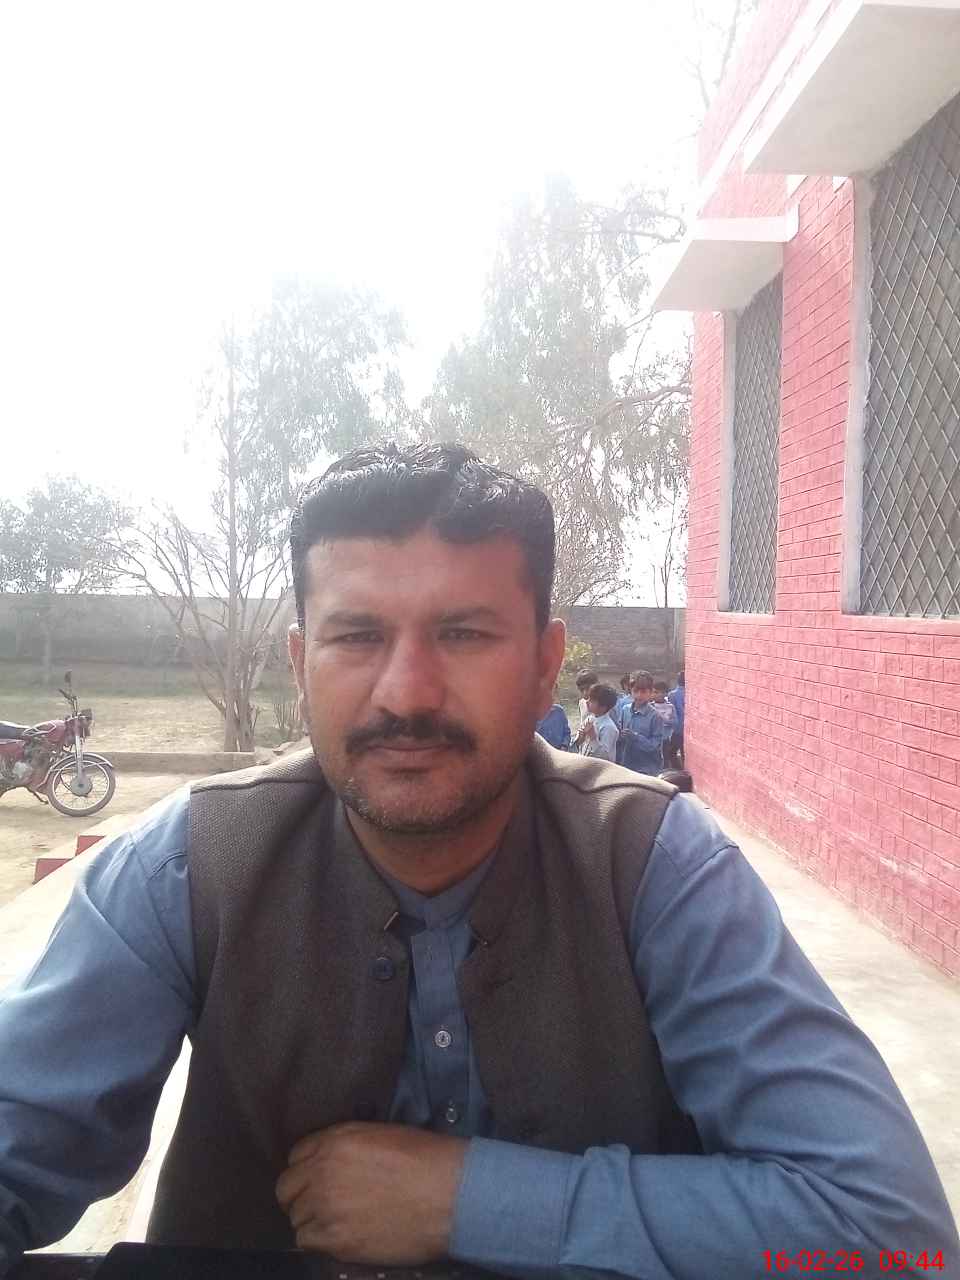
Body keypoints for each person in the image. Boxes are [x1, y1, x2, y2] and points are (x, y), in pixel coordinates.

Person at [0, 442, 955, 1279]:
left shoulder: (656, 865)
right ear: (299, 664)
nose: (407, 693)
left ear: (544, 665)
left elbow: (893, 1242)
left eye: (462, 635)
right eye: (357, 636)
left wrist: (472, 1199)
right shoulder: (187, 867)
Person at [617, 670, 668, 776]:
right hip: (627, 765)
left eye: (643, 692)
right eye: (636, 691)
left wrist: (636, 737)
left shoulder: (655, 716)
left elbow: (655, 746)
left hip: (647, 768)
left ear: (650, 692)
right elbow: (620, 737)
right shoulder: (625, 710)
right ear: (630, 690)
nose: (639, 695)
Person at [577, 682, 619, 763]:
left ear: (603, 707)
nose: (587, 702)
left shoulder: (608, 727)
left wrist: (593, 737)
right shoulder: (589, 719)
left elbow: (605, 757)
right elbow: (581, 746)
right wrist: (581, 737)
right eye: (588, 698)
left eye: (592, 701)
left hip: (600, 768)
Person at [570, 667, 598, 750]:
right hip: (585, 747)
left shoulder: (604, 703)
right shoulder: (582, 703)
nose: (585, 693)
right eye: (582, 690)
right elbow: (582, 724)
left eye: (587, 688)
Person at [666, 669, 685, 769]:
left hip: (677, 729)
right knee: (684, 753)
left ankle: (678, 770)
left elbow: (671, 712)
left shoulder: (672, 694)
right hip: (688, 729)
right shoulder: (691, 693)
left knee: (671, 752)